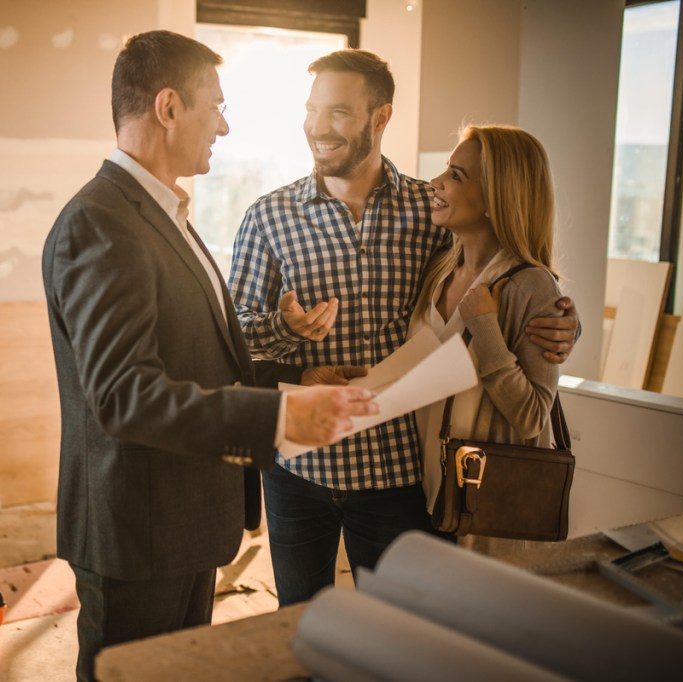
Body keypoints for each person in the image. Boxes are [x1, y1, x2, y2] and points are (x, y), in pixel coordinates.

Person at [42, 31, 380, 681]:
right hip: (137, 532)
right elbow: (125, 396)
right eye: (216, 106)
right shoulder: (103, 223)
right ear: (169, 108)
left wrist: (290, 381)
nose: (225, 126)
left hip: (176, 521)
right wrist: (277, 422)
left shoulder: (159, 213)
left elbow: (189, 360)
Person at [227, 49, 580, 606]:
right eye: (312, 109)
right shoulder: (266, 217)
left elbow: (503, 271)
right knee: (298, 623)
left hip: (401, 474)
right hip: (299, 470)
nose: (318, 127)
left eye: (339, 111)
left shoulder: (434, 210)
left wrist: (564, 320)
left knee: (400, 631)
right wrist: (287, 333)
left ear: (381, 117)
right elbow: (238, 336)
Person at [412, 125, 562, 517]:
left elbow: (531, 417)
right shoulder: (441, 270)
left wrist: (485, 327)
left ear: (497, 199)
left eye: (455, 176)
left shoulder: (533, 286)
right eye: (446, 169)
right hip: (425, 499)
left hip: (482, 513)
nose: (435, 182)